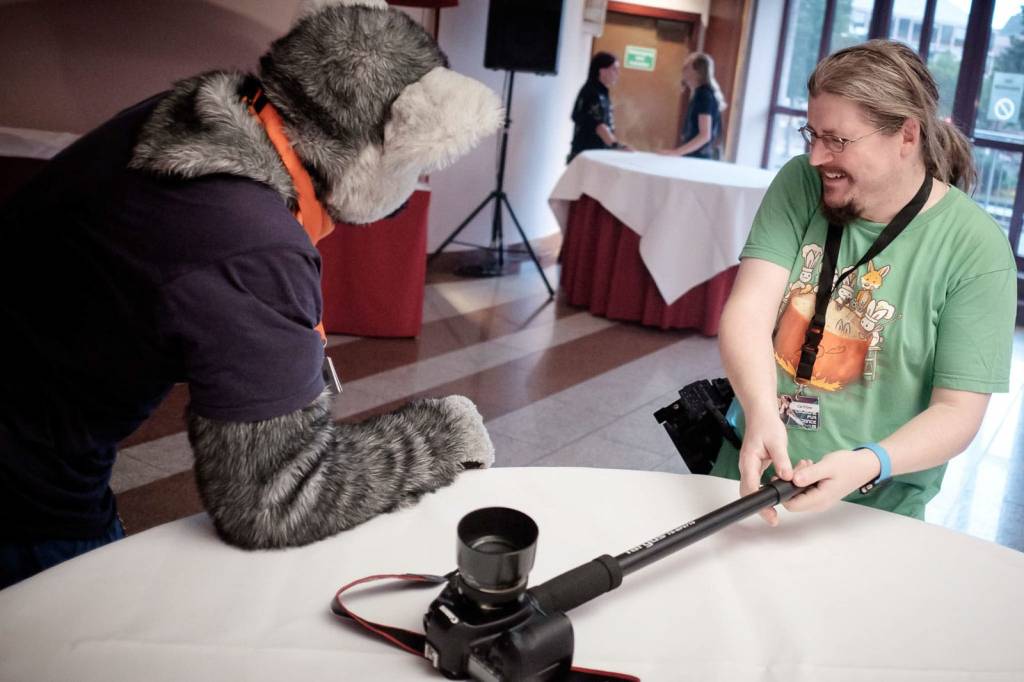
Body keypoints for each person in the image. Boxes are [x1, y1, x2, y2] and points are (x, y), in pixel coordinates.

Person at [0, 0, 503, 589]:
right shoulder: (254, 243)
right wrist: (437, 438)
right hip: (24, 491)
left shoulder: (196, 113)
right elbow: (274, 499)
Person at [711, 39, 1016, 525]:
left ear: (907, 136)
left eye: (837, 140)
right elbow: (748, 313)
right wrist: (762, 412)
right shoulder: (800, 183)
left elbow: (957, 412)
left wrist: (868, 463)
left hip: (875, 511)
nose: (816, 157)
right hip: (751, 474)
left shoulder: (975, 249)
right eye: (812, 134)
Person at [658, 52, 725, 158]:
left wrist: (677, 152)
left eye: (686, 67)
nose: (682, 70)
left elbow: (705, 135)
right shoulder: (701, 93)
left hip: (698, 158)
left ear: (696, 71)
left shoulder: (703, 95)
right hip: (697, 156)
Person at [567, 52, 631, 163]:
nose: (617, 73)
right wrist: (616, 146)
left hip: (594, 154)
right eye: (614, 69)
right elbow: (599, 126)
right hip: (586, 156)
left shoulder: (601, 92)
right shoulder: (593, 93)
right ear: (602, 71)